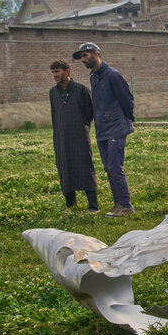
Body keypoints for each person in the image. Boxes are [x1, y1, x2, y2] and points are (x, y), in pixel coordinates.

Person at [73, 42, 135, 218]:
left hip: (116, 127)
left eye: (85, 55)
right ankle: (118, 203)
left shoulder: (112, 75)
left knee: (115, 167)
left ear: (95, 54)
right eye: (81, 57)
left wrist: (129, 119)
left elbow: (126, 99)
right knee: (108, 168)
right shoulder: (94, 77)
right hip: (102, 129)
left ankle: (125, 205)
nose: (83, 60)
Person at [48, 59, 99, 213]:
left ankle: (93, 205)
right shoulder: (53, 92)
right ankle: (71, 205)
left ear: (67, 71)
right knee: (65, 167)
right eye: (53, 72)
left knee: (85, 167)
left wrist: (80, 127)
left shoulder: (81, 90)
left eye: (57, 71)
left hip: (79, 137)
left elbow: (90, 113)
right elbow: (54, 114)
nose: (55, 75)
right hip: (61, 138)